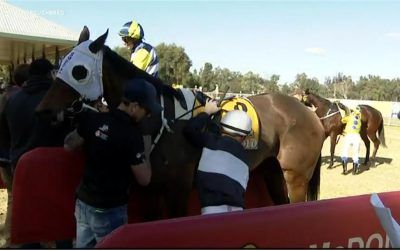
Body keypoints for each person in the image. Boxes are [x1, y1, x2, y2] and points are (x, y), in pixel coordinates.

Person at [64, 77, 161, 248]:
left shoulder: (93, 120)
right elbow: (145, 179)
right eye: (147, 111)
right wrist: (145, 146)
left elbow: (69, 145)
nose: (148, 115)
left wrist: (88, 128)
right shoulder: (132, 135)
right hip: (109, 211)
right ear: (135, 106)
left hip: (83, 205)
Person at [183, 99, 252, 215]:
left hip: (211, 212)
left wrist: (207, 112)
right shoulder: (245, 157)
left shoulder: (211, 140)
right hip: (238, 213)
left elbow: (189, 130)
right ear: (243, 137)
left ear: (222, 128)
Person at [0, 63, 29, 247]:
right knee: (20, 197)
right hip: (16, 155)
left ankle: (9, 235)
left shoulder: (4, 96)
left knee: (12, 196)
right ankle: (15, 237)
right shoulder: (22, 99)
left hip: (2, 156)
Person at [341, 105, 362, 175]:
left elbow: (342, 120)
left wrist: (346, 114)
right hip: (357, 137)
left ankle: (344, 170)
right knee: (356, 154)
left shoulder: (349, 117)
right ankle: (354, 171)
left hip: (349, 136)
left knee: (344, 152)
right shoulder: (359, 120)